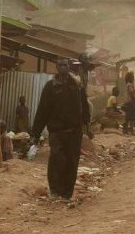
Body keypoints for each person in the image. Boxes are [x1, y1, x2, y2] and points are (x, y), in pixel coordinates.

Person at [30, 59, 91, 201]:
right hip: (56, 131)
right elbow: (42, 111)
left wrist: (87, 125)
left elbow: (85, 105)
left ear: (68, 67)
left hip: (74, 131)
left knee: (72, 161)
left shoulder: (77, 85)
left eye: (65, 65)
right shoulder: (50, 87)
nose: (63, 68)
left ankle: (67, 194)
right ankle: (55, 191)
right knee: (56, 160)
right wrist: (36, 133)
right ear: (57, 68)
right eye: (60, 65)